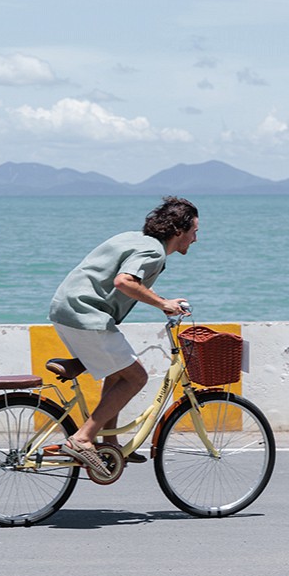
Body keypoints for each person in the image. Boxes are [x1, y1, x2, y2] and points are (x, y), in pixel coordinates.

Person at [48, 196, 199, 475]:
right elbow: (124, 281)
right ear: (178, 230)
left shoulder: (134, 238)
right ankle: (82, 438)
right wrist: (163, 304)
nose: (195, 239)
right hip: (85, 314)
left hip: (66, 309)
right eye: (194, 232)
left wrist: (162, 300)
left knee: (118, 373)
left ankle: (110, 442)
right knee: (136, 377)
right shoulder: (154, 252)